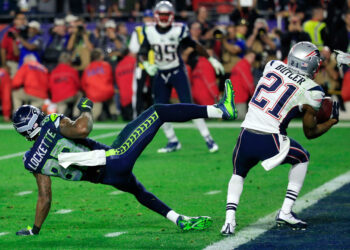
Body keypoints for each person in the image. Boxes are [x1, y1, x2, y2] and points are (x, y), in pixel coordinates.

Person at [13, 80, 238, 236]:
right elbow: (82, 129)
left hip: (106, 177)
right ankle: (221, 110)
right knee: (158, 111)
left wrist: (35, 229)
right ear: (36, 120)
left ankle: (178, 219)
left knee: (139, 191)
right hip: (114, 158)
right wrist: (86, 109)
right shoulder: (51, 124)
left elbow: (45, 197)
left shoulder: (32, 160)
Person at [220, 42, 340, 236]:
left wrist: (299, 106)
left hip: (245, 135)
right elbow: (310, 132)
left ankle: (229, 221)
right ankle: (285, 212)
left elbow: (281, 93)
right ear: (309, 65)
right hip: (271, 139)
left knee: (238, 173)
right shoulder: (313, 90)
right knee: (302, 156)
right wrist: (331, 121)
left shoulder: (272, 65)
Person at [138, 1, 225, 153]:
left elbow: (194, 45)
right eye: (162, 15)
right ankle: (172, 141)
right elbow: (142, 51)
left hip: (177, 71)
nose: (164, 19)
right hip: (160, 72)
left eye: (167, 15)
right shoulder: (149, 30)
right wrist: (146, 64)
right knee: (159, 109)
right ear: (156, 16)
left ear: (171, 16)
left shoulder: (179, 29)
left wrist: (210, 58)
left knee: (189, 106)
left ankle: (208, 139)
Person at [81, 48, 117, 120]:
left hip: (94, 95)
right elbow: (111, 78)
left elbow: (83, 85)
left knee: (95, 111)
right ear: (101, 56)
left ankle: (95, 117)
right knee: (111, 99)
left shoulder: (87, 68)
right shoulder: (106, 65)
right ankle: (114, 114)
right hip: (107, 92)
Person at [49, 52, 81, 117]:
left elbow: (49, 86)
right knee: (80, 94)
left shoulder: (53, 71)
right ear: (69, 61)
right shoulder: (72, 70)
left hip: (56, 98)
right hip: (69, 96)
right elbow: (78, 85)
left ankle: (59, 118)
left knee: (61, 107)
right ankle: (76, 115)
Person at [0, 12, 27, 77]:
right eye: (20, 19)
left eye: (23, 19)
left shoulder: (27, 32)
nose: (22, 21)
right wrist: (4, 65)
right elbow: (3, 49)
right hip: (13, 63)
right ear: (15, 21)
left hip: (25, 63)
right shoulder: (10, 33)